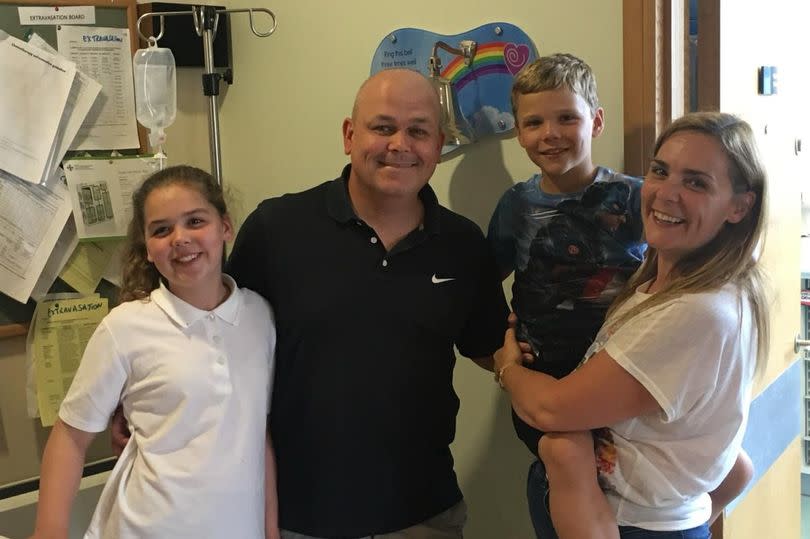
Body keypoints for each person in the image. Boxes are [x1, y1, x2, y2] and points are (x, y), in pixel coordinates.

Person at [225, 69, 508, 538]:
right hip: (296, 517)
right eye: (383, 127)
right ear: (349, 135)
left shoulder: (462, 243)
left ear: (438, 146)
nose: (400, 143)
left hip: (423, 515)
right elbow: (215, 336)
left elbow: (493, 348)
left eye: (418, 131)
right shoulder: (277, 229)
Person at [493, 111, 768, 539]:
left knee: (561, 445)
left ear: (739, 206)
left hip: (624, 522)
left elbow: (550, 410)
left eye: (696, 182)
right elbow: (736, 467)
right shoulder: (668, 284)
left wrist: (508, 367)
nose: (666, 194)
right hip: (647, 512)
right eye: (661, 171)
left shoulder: (696, 312)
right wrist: (689, 515)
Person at [32, 166, 280, 539]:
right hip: (147, 528)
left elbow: (256, 433)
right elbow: (70, 436)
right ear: (148, 249)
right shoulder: (125, 327)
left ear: (225, 227)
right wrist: (48, 532)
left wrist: (270, 530)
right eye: (161, 230)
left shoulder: (260, 317)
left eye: (195, 221)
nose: (180, 238)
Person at [486, 51, 646, 508]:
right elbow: (480, 287)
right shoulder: (516, 206)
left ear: (595, 121)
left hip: (620, 376)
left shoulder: (635, 198)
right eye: (534, 122)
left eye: (566, 118)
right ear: (518, 132)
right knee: (566, 464)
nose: (550, 134)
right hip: (545, 379)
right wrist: (505, 344)